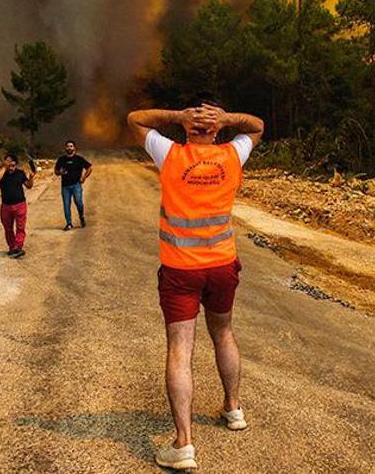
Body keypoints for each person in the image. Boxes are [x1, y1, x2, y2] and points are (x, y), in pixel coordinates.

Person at [127, 97, 264, 471]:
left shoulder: (169, 153)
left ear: (189, 128)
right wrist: (228, 117)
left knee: (180, 348)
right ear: (217, 129)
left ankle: (183, 444)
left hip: (180, 269)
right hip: (221, 264)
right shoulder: (233, 155)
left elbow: (135, 120)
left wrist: (176, 117)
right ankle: (233, 409)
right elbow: (257, 126)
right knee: (223, 333)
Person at [0, 154, 35, 258]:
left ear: (16, 165)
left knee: (20, 227)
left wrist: (31, 178)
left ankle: (18, 247)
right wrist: (4, 168)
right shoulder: (1, 173)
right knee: (8, 228)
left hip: (20, 204)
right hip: (6, 206)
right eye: (8, 164)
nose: (10, 167)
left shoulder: (20, 173)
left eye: (13, 165)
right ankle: (12, 247)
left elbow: (29, 186)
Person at [54, 140, 92, 230]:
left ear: (74, 148)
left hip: (76, 185)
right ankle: (69, 223)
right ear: (65, 148)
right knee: (66, 205)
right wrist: (60, 172)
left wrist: (84, 177)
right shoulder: (61, 159)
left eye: (71, 146)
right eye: (67, 146)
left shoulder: (79, 159)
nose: (69, 148)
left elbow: (89, 167)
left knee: (78, 202)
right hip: (65, 186)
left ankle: (81, 216)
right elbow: (56, 171)